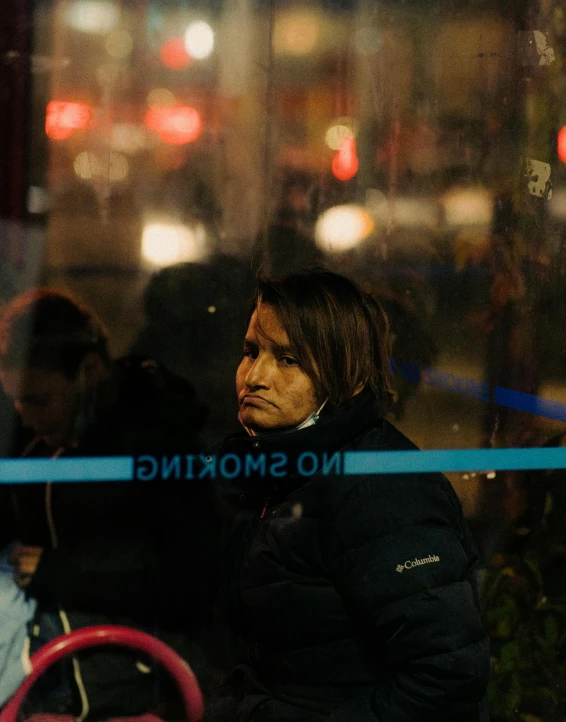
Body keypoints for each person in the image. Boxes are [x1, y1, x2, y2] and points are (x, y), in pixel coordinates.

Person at [207, 269, 490, 721]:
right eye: (250, 351)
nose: (255, 375)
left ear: (349, 378)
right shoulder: (268, 475)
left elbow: (445, 679)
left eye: (289, 359)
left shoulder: (384, 491)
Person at [0, 288, 218, 719]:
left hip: (140, 668)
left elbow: (188, 584)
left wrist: (56, 573)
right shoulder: (41, 442)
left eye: (38, 399)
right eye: (15, 401)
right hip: (58, 658)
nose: (24, 415)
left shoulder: (159, 448)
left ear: (90, 370)